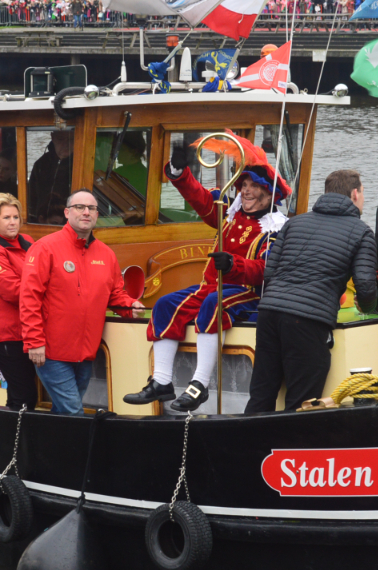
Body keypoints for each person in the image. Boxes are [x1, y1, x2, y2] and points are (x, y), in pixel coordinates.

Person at [123, 142, 291, 413]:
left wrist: (233, 264)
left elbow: (266, 271)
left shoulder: (275, 228)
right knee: (165, 304)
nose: (246, 191)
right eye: (243, 184)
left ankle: (199, 385)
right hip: (212, 286)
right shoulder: (230, 212)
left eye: (253, 187)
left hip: (248, 291)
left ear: (268, 193)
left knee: (214, 303)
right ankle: (162, 381)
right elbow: (200, 198)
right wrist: (179, 171)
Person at [245, 170, 378, 413]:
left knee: (261, 392)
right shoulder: (361, 231)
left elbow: (269, 273)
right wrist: (367, 306)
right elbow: (366, 286)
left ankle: (249, 447)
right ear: (355, 193)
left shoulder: (294, 222)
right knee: (302, 402)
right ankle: (290, 450)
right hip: (307, 321)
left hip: (269, 313)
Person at [19, 190, 144, 415]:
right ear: (67, 213)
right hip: (51, 352)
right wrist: (34, 341)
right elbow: (29, 297)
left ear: (97, 215)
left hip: (86, 353)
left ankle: (53, 450)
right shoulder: (45, 247)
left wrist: (129, 307)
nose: (86, 212)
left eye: (92, 208)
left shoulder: (106, 254)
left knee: (63, 413)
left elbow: (115, 294)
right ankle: (82, 451)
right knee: (74, 413)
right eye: (79, 207)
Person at [0, 193, 38, 411]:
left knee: (18, 393)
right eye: (6, 218)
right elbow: (14, 292)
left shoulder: (28, 242)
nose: (13, 222)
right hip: (6, 335)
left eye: (15, 217)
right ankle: (19, 442)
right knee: (25, 396)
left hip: (26, 330)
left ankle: (11, 441)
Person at [27, 129, 74, 225]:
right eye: (61, 139)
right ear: (52, 137)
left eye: (71, 139)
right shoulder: (41, 164)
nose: (66, 144)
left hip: (71, 222)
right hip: (42, 221)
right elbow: (32, 196)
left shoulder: (80, 163)